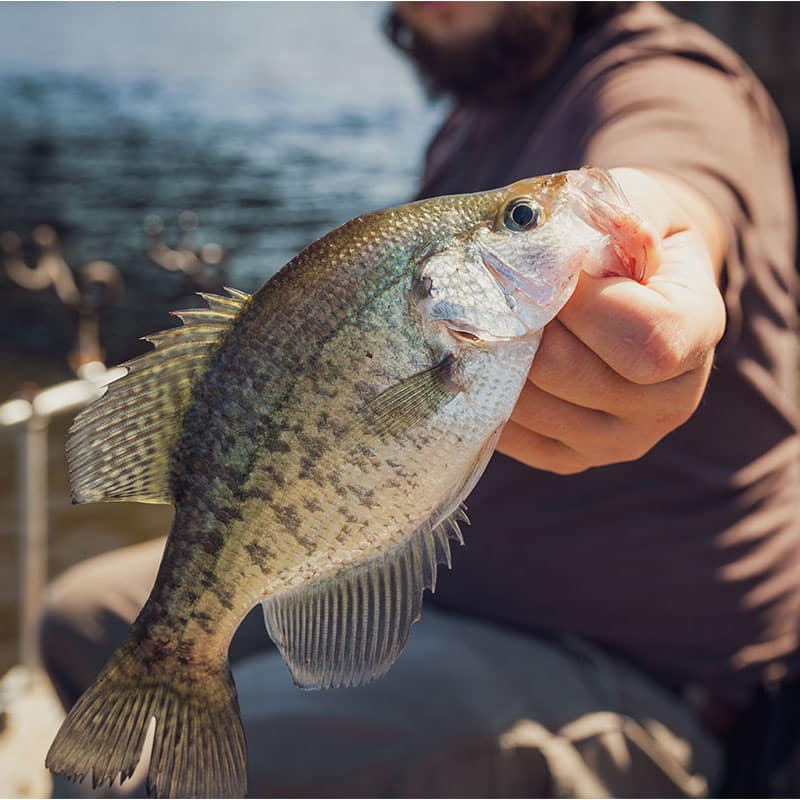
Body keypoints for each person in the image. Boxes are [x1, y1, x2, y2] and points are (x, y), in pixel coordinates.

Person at [40, 2, 798, 796]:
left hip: (632, 667)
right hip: (437, 584)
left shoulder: (674, 81)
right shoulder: (476, 114)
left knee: (129, 786)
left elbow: (679, 173)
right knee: (79, 621)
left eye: (521, 217)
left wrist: (658, 222)